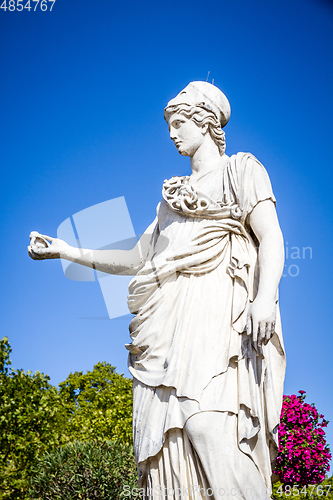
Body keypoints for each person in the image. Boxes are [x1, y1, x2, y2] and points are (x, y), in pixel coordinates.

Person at [28, 81, 286, 500]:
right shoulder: (171, 198)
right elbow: (136, 256)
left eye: (179, 122)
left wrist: (264, 298)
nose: (172, 133)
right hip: (169, 318)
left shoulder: (242, 169)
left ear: (205, 122)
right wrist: (67, 250)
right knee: (171, 439)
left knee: (207, 424)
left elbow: (271, 237)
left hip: (219, 305)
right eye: (170, 124)